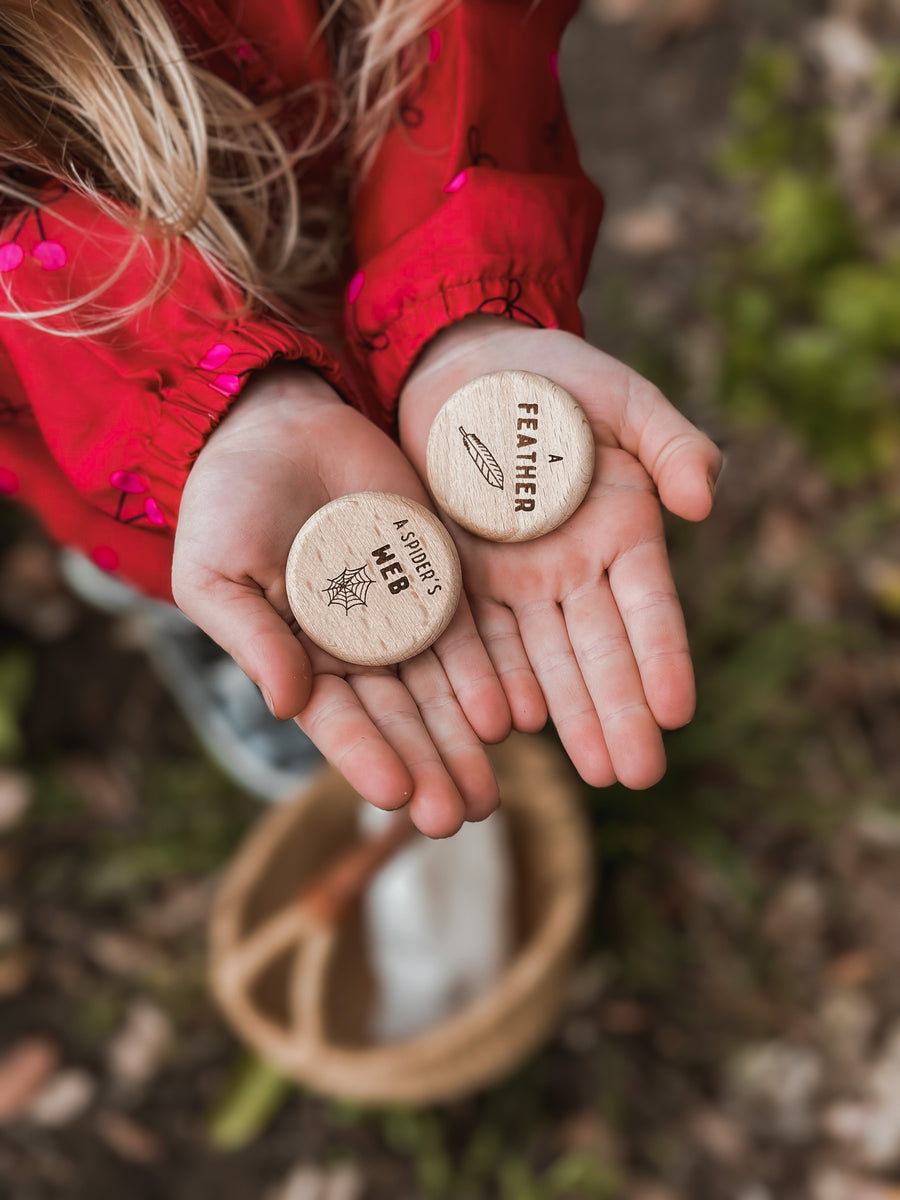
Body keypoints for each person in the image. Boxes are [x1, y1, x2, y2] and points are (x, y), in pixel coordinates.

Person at [0, 0, 721, 839]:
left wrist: (466, 303)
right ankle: (184, 600)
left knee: (240, 518)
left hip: (376, 174)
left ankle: (207, 581)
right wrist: (202, 411)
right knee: (204, 541)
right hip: (89, 400)